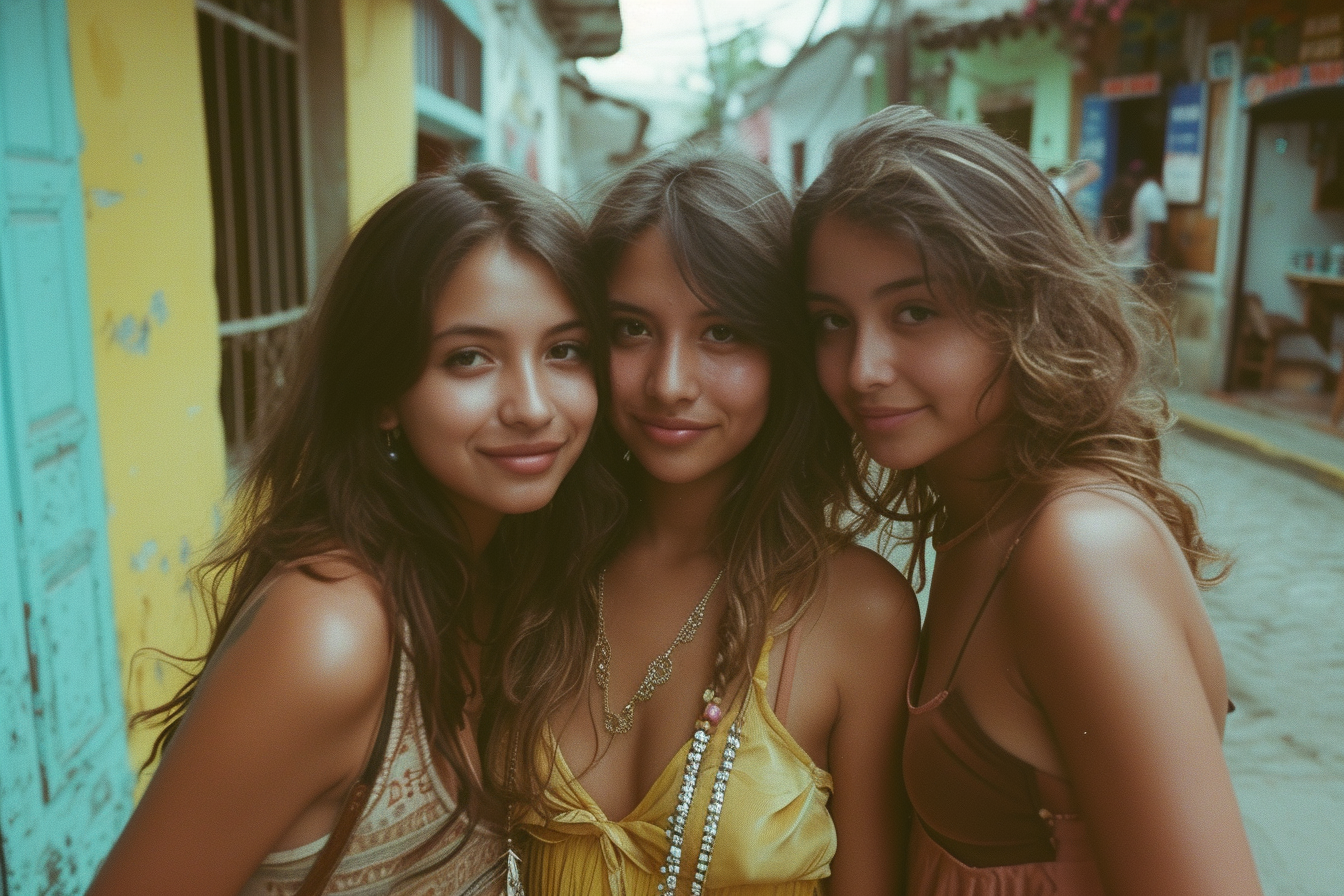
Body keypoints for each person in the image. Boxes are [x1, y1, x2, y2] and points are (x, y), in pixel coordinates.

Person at [88, 166, 607, 896]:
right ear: (383, 395)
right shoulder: (332, 630)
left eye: (565, 351)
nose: (532, 405)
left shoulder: (505, 574)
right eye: (469, 358)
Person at [794, 105, 1263, 896]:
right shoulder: (978, 518)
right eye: (831, 322)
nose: (863, 366)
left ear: (1027, 308)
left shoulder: (1076, 548)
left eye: (915, 312)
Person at [496, 146, 919, 896]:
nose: (669, 383)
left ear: (783, 355)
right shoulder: (531, 561)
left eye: (721, 333)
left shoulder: (859, 611)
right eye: (631, 329)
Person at [1112, 158, 1168, 286]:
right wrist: (1153, 264)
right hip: (1140, 260)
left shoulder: (1144, 191)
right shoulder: (1152, 191)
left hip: (1135, 258)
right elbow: (1157, 231)